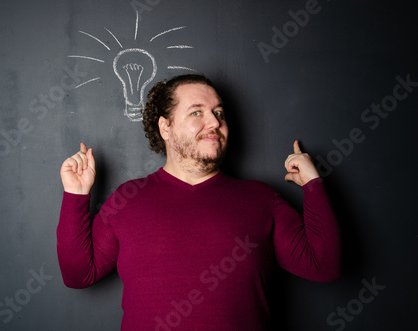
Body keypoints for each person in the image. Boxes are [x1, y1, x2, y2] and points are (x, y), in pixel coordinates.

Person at [57, 74, 341, 330]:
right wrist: (76, 194)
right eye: (197, 112)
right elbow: (79, 275)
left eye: (219, 113)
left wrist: (314, 185)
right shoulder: (127, 200)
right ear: (165, 128)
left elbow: (324, 266)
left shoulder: (260, 198)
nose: (215, 122)